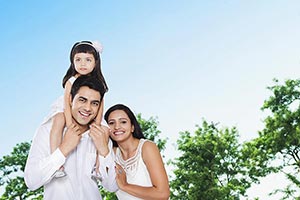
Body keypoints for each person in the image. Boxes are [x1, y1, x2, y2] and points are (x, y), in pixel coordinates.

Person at [24, 76, 118, 200]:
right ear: (70, 100)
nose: (88, 108)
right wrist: (63, 149)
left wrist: (103, 150)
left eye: (94, 103)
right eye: (82, 100)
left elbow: (112, 186)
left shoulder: (100, 136)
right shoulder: (48, 130)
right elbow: (31, 181)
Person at [48, 40, 108, 178]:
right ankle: (56, 162)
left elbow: (100, 107)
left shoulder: (99, 84)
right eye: (78, 59)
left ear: (95, 62)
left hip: (89, 113)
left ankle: (98, 167)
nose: (82, 64)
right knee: (58, 120)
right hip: (68, 107)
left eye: (88, 60)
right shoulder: (71, 81)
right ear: (72, 62)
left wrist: (97, 125)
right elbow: (67, 103)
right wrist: (69, 124)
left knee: (103, 131)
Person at [104, 104, 170, 200]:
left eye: (123, 122)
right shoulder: (111, 154)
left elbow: (162, 194)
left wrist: (125, 185)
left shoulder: (146, 147)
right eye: (111, 123)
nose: (117, 126)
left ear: (132, 127)